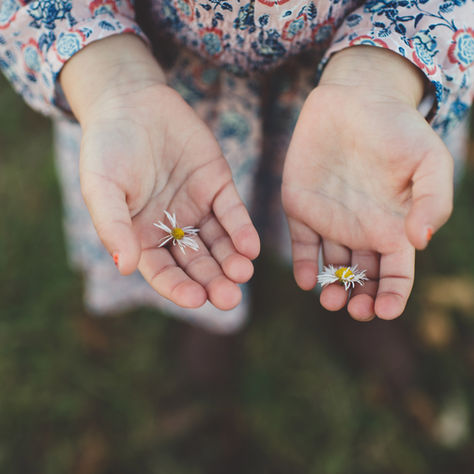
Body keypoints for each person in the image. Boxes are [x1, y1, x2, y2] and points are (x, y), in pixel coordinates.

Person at [0, 0, 472, 331]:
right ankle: (209, 323)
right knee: (206, 237)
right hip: (160, 83)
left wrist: (384, 72)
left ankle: (353, 308)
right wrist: (108, 79)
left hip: (352, 87)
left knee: (353, 227)